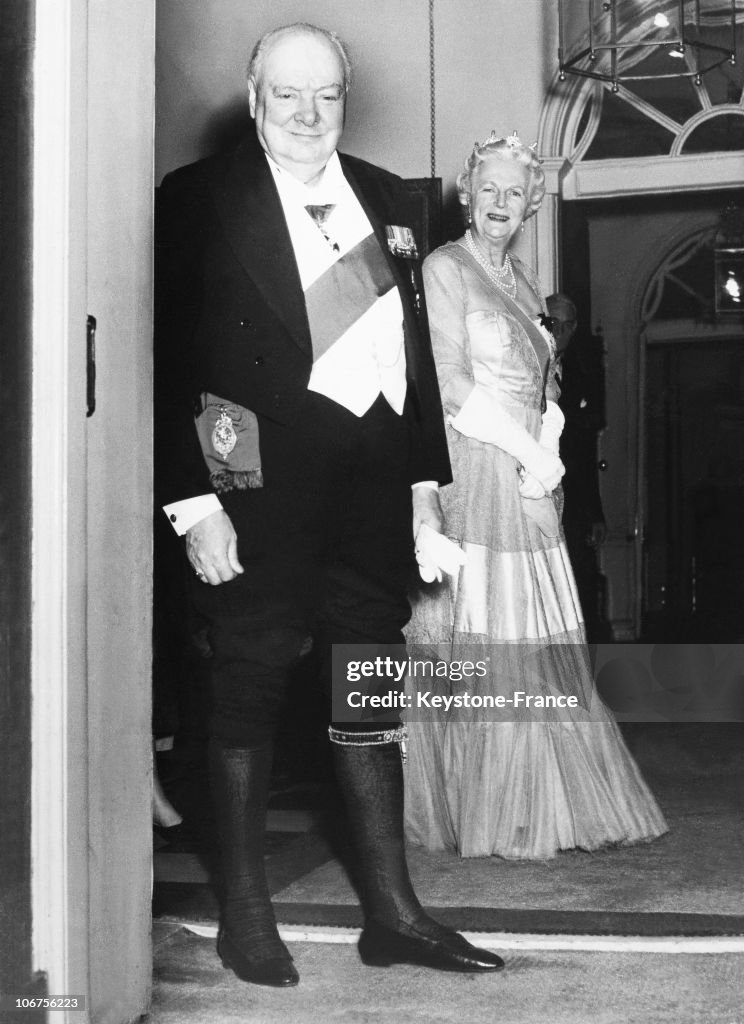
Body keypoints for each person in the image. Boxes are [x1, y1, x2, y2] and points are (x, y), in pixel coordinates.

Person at [154, 23, 503, 987]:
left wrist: (425, 490)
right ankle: (247, 915)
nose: (309, 115)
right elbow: (168, 361)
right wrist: (193, 503)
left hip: (370, 505)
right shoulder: (197, 200)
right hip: (252, 494)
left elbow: (416, 367)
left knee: (367, 701)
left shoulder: (392, 198)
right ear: (253, 93)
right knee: (247, 697)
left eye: (328, 95)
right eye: (289, 94)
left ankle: (393, 912)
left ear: (346, 97)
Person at [403, 131, 668, 859]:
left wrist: (548, 452)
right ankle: (490, 808)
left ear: (530, 206)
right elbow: (447, 384)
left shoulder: (524, 284)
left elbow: (549, 381)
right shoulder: (443, 268)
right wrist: (525, 449)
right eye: (486, 188)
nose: (498, 203)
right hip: (474, 464)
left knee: (537, 635)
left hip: (529, 476)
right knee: (484, 634)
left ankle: (550, 797)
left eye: (513, 193)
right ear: (467, 193)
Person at [545, 292, 609, 641]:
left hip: (573, 500)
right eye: (555, 323)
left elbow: (585, 453)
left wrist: (595, 513)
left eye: (569, 325)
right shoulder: (529, 367)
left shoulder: (580, 376)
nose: (561, 332)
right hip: (537, 491)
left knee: (579, 582)